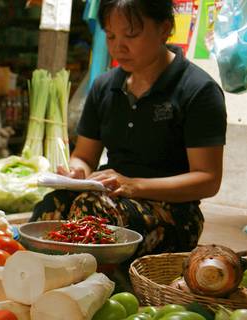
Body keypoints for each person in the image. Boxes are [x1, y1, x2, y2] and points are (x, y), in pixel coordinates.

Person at [31, 0, 227, 258]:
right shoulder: (104, 87)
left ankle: (86, 288)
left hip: (174, 212)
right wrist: (77, 171)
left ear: (164, 29)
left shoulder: (198, 90)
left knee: (91, 213)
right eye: (110, 36)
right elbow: (85, 156)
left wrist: (135, 186)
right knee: (49, 208)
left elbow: (208, 180)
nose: (117, 47)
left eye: (131, 35)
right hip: (111, 195)